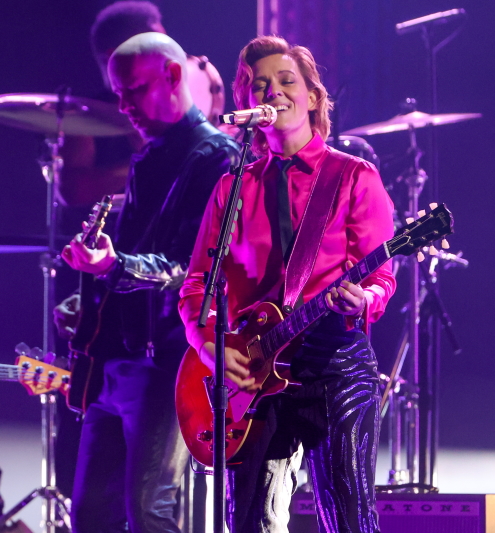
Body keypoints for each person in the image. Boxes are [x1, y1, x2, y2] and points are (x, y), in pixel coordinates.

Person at [178, 36, 396, 532]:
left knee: (348, 518)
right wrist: (207, 345)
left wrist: (365, 298)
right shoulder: (233, 186)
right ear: (247, 104)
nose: (271, 91)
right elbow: (197, 285)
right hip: (255, 373)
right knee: (248, 521)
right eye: (258, 85)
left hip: (334, 364)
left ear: (314, 98)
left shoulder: (354, 178)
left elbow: (382, 276)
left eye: (285, 81)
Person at [57, 33, 240, 533]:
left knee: (148, 512)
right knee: (90, 517)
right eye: (118, 92)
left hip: (167, 364)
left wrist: (113, 268)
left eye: (132, 89)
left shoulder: (218, 159)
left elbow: (190, 267)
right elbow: (136, 252)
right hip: (116, 360)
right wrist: (90, 296)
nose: (123, 105)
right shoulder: (147, 157)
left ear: (174, 76)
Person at [56, 0, 232, 208]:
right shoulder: (85, 116)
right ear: (114, 56)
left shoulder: (211, 147)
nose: (167, 53)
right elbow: (73, 190)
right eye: (153, 45)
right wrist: (155, 161)